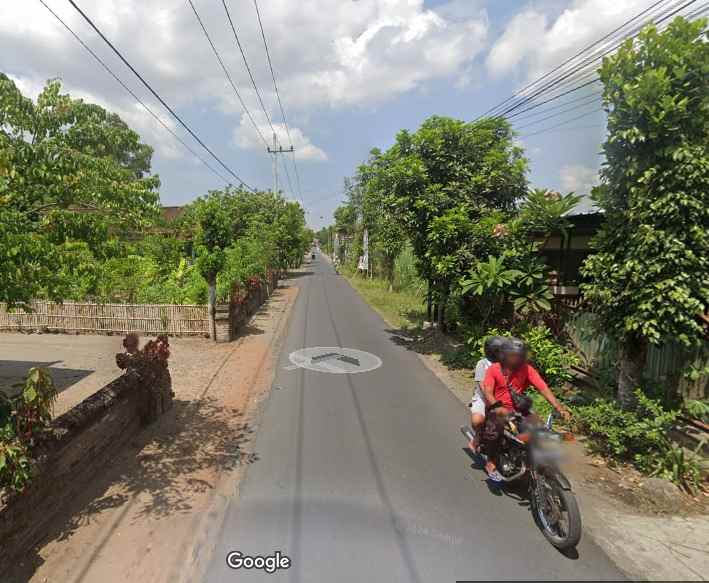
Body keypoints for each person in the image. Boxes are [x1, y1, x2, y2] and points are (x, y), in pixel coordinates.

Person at [480, 337, 572, 482]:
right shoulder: (494, 369)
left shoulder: (527, 369)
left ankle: (537, 460)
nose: (516, 359)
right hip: (497, 409)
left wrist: (559, 407)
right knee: (495, 430)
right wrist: (497, 407)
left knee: (540, 429)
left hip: (519, 410)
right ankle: (491, 460)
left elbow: (543, 387)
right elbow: (488, 391)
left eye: (519, 356)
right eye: (513, 355)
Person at [467, 336, 505, 453]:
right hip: (483, 397)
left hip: (502, 396)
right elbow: (483, 386)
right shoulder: (482, 364)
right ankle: (477, 436)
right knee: (477, 420)